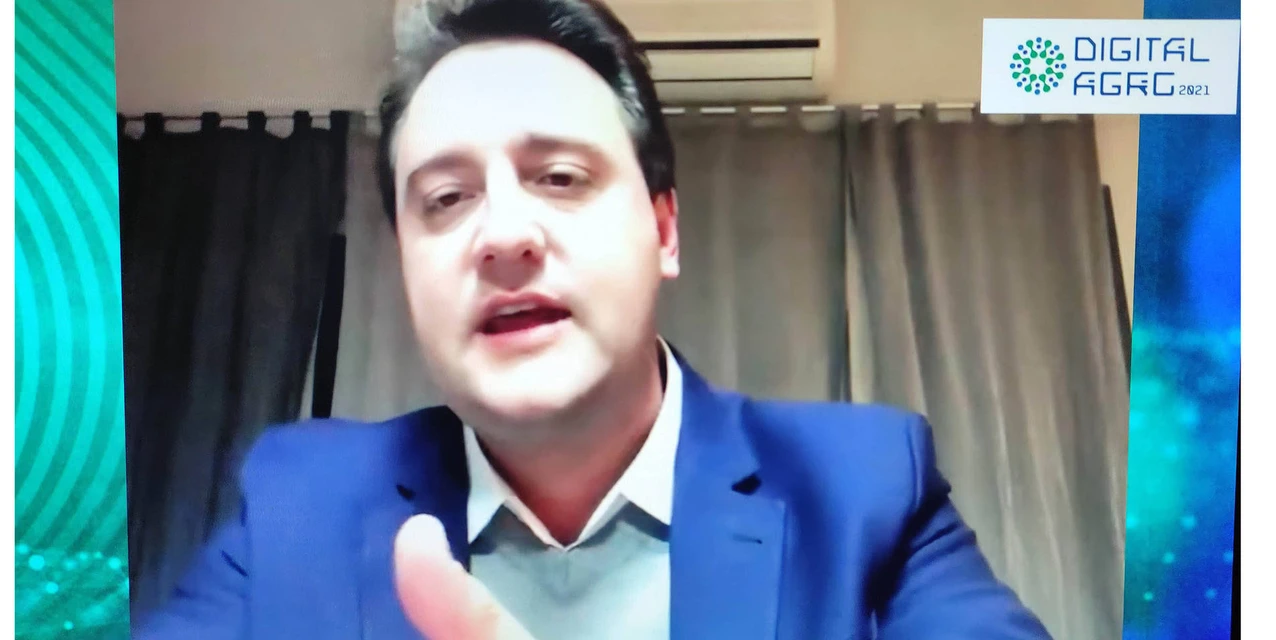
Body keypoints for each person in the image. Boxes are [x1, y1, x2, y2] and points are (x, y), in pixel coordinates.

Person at [133, 0, 1052, 638]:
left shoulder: (863, 489)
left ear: (664, 230)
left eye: (560, 178)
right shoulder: (299, 502)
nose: (503, 235)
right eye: (446, 198)